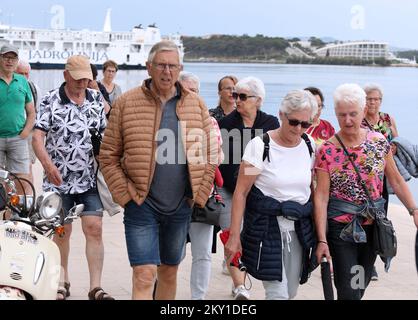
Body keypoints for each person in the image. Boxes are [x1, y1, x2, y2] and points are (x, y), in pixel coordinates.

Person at [99, 41, 217, 300]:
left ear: (180, 68)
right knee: (144, 274)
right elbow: (108, 156)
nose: (167, 71)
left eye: (172, 66)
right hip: (141, 204)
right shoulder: (126, 103)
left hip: (180, 206)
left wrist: (199, 193)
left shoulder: (196, 105)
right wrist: (126, 195)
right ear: (148, 67)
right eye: (161, 65)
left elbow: (209, 156)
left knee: (169, 272)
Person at [314, 83, 418, 300]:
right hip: (341, 228)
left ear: (363, 111)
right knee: (349, 289)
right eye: (342, 115)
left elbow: (396, 181)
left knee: (359, 283)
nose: (348, 120)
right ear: (335, 114)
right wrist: (321, 238)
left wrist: (413, 210)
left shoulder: (378, 142)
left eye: (353, 114)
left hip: (372, 227)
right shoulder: (327, 149)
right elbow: (322, 196)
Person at [32, 55, 114, 300]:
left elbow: (105, 134)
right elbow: (37, 138)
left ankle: (95, 287)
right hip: (58, 180)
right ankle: (61, 280)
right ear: (66, 75)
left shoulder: (96, 100)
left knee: (94, 228)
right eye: (77, 78)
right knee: (61, 231)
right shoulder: (50, 99)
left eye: (86, 78)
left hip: (89, 179)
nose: (82, 83)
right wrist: (47, 166)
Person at [225, 90, 317, 300]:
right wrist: (234, 236)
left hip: (299, 230)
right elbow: (241, 192)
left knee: (291, 291)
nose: (299, 129)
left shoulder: (310, 145)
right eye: (294, 122)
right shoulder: (259, 147)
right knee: (277, 294)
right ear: (281, 115)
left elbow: (312, 188)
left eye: (305, 124)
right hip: (266, 229)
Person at [219, 76, 280, 300]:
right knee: (231, 233)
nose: (237, 101)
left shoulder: (271, 124)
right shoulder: (225, 124)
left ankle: (248, 274)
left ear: (259, 100)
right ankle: (239, 286)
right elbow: (220, 159)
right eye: (235, 96)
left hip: (258, 192)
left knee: (251, 235)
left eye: (243, 97)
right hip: (229, 189)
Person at [178, 71, 224, 300]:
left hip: (203, 193)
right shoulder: (166, 118)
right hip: (171, 196)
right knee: (170, 252)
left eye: (193, 91)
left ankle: (198, 298)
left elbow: (218, 155)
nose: (189, 96)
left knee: (203, 252)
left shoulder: (210, 120)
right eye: (185, 91)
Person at [362, 83, 398, 280]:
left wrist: (394, 149)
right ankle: (363, 262)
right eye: (368, 98)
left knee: (380, 219)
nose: (372, 102)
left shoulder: (387, 119)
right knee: (364, 219)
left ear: (381, 101)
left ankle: (372, 260)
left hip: (384, 178)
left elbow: (397, 141)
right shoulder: (357, 119)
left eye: (376, 99)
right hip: (365, 180)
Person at [0, 45, 35, 196]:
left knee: (22, 180)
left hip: (18, 138)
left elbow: (31, 112)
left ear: (17, 60)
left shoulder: (22, 81)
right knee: (1, 183)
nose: (9, 61)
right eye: (6, 57)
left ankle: (15, 215)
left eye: (13, 58)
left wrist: (25, 132)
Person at [15, 59, 41, 185]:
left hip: (29, 134)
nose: (24, 77)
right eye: (21, 73)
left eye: (27, 74)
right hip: (12, 133)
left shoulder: (34, 88)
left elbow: (38, 112)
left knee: (28, 167)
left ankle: (28, 199)